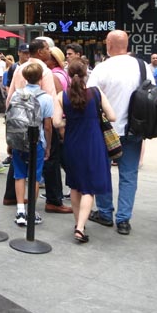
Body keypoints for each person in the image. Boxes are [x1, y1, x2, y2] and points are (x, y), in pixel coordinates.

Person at [86, 30, 153, 236]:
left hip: (105, 130)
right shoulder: (143, 66)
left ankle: (105, 213)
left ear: (108, 44)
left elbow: (90, 97)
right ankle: (123, 220)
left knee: (102, 171)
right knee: (129, 174)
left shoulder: (102, 68)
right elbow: (152, 95)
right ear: (127, 44)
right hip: (134, 128)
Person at [53, 60, 115, 243]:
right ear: (86, 74)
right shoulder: (96, 93)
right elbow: (112, 116)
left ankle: (77, 222)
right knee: (89, 187)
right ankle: (80, 227)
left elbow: (56, 122)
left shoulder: (61, 96)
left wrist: (69, 121)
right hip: (93, 143)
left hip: (72, 143)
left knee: (75, 185)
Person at [11, 64, 53, 227]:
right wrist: (48, 145)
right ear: (41, 78)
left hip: (18, 139)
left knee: (19, 175)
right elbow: (47, 126)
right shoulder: (46, 98)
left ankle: (20, 210)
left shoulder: (16, 94)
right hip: (36, 141)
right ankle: (31, 210)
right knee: (35, 176)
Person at [42, 46, 72, 215]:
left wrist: (60, 124)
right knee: (61, 158)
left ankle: (55, 198)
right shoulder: (62, 74)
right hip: (59, 120)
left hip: (55, 121)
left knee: (54, 159)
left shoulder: (53, 76)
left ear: (53, 60)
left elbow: (59, 100)